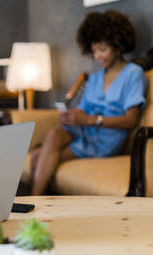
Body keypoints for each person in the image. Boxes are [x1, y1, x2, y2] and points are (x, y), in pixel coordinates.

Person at [30, 9, 147, 196]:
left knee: (38, 157)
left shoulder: (133, 74)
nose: (98, 56)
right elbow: (83, 112)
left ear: (117, 44)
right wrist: (72, 117)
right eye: (94, 51)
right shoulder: (95, 78)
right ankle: (36, 204)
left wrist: (91, 120)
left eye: (102, 49)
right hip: (83, 131)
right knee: (52, 135)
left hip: (105, 138)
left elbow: (131, 119)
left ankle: (33, 203)